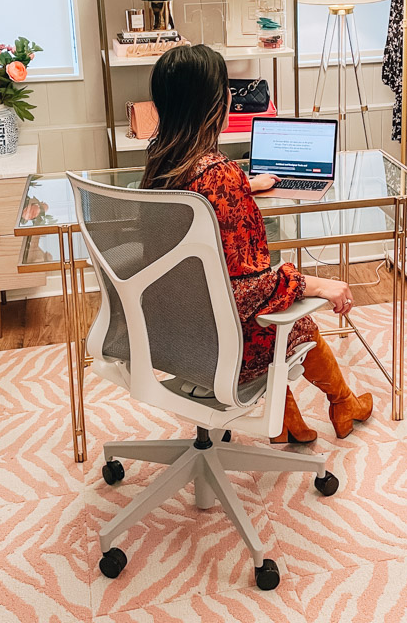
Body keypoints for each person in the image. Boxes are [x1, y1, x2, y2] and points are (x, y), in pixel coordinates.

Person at [142, 44, 373, 441]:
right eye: (226, 87)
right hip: (220, 342)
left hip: (170, 332)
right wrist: (315, 284)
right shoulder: (220, 176)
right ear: (215, 102)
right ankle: (343, 404)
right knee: (292, 316)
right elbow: (244, 290)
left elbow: (198, 213)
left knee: (278, 308)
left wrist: (243, 185)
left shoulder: (160, 164)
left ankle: (290, 424)